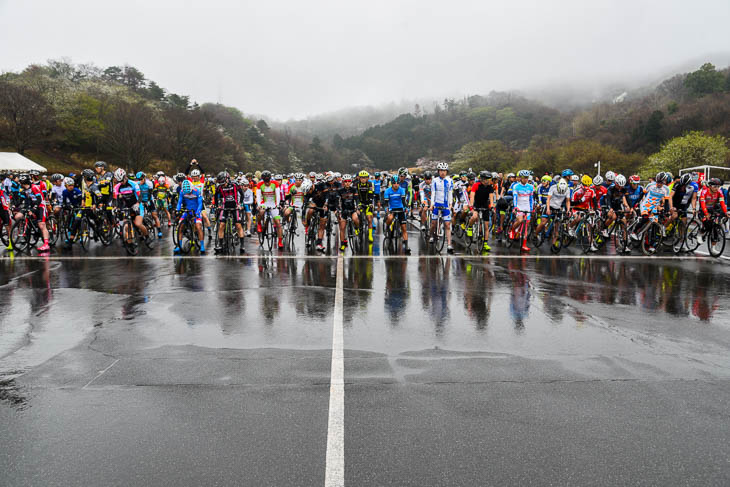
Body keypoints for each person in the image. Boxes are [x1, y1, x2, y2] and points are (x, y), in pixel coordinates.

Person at [15, 174, 51, 251]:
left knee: (41, 225)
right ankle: (27, 235)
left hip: (40, 206)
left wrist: (34, 209)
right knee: (18, 216)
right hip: (31, 206)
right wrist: (15, 206)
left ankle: (46, 244)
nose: (20, 184)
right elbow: (21, 200)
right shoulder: (23, 190)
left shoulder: (34, 187)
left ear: (24, 182)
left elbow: (39, 199)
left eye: (21, 183)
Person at [112, 168, 149, 242]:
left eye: (122, 180)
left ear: (125, 177)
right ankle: (130, 243)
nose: (121, 182)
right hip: (127, 207)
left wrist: (138, 204)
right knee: (126, 226)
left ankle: (146, 236)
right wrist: (115, 207)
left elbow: (140, 196)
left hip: (137, 204)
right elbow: (115, 199)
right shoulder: (117, 187)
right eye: (119, 181)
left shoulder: (133, 184)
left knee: (138, 224)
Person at [213, 171, 245, 254]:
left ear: (227, 179)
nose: (222, 185)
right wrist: (217, 206)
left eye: (223, 183)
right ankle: (220, 244)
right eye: (221, 183)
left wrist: (240, 204)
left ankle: (242, 245)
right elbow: (216, 196)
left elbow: (242, 194)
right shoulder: (219, 187)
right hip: (224, 206)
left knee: (238, 225)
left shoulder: (235, 184)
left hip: (235, 206)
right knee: (222, 225)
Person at [466, 171, 495, 252]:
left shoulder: (490, 186)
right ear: (482, 179)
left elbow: (491, 198)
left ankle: (485, 244)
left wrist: (492, 206)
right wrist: (471, 206)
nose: (489, 181)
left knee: (486, 226)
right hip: (477, 204)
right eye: (487, 179)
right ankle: (470, 227)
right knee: (474, 216)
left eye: (490, 179)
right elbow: (472, 196)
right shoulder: (476, 185)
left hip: (485, 204)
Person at [175, 179, 205, 254]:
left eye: (189, 192)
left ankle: (202, 245)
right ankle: (179, 245)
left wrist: (198, 212)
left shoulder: (197, 191)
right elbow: (179, 202)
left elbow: (200, 203)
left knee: (198, 226)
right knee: (180, 226)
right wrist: (177, 210)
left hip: (196, 210)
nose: (188, 193)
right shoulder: (182, 191)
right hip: (187, 210)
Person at [430, 162, 454, 253]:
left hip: (445, 205)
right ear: (438, 171)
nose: (443, 172)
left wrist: (450, 204)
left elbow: (450, 193)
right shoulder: (435, 180)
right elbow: (433, 193)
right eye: (441, 171)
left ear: (446, 172)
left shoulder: (450, 180)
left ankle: (449, 245)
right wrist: (432, 204)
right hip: (436, 204)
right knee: (433, 223)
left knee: (447, 225)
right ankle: (432, 235)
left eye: (444, 171)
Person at [383, 175, 411, 254]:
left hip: (400, 209)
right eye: (394, 183)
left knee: (404, 227)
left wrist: (406, 208)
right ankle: (388, 226)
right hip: (392, 209)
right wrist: (386, 208)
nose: (396, 185)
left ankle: (406, 245)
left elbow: (403, 201)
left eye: (397, 183)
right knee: (390, 217)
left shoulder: (401, 190)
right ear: (391, 183)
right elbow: (385, 203)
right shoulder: (387, 191)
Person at [256, 170, 283, 249]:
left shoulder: (275, 184)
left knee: (278, 223)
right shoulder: (260, 184)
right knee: (261, 211)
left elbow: (278, 195)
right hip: (265, 203)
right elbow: (258, 196)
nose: (267, 183)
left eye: (268, 181)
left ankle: (280, 241)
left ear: (270, 179)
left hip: (273, 204)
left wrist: (277, 205)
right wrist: (259, 205)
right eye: (265, 181)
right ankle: (259, 224)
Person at [510, 170, 535, 252]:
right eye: (524, 178)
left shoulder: (531, 186)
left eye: (527, 178)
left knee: (526, 226)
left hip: (527, 207)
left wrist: (532, 208)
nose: (526, 179)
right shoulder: (516, 186)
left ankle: (524, 245)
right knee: (520, 220)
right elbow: (515, 197)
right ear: (521, 178)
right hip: (519, 206)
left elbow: (531, 199)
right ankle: (513, 230)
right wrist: (515, 207)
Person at [354, 170, 375, 243]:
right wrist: (357, 204)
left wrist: (370, 203)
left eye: (365, 178)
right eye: (362, 178)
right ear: (359, 178)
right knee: (357, 217)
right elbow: (355, 195)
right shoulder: (356, 184)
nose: (363, 179)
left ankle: (370, 235)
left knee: (369, 219)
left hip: (368, 203)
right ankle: (356, 227)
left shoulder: (370, 184)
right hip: (359, 202)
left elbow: (371, 194)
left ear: (367, 178)